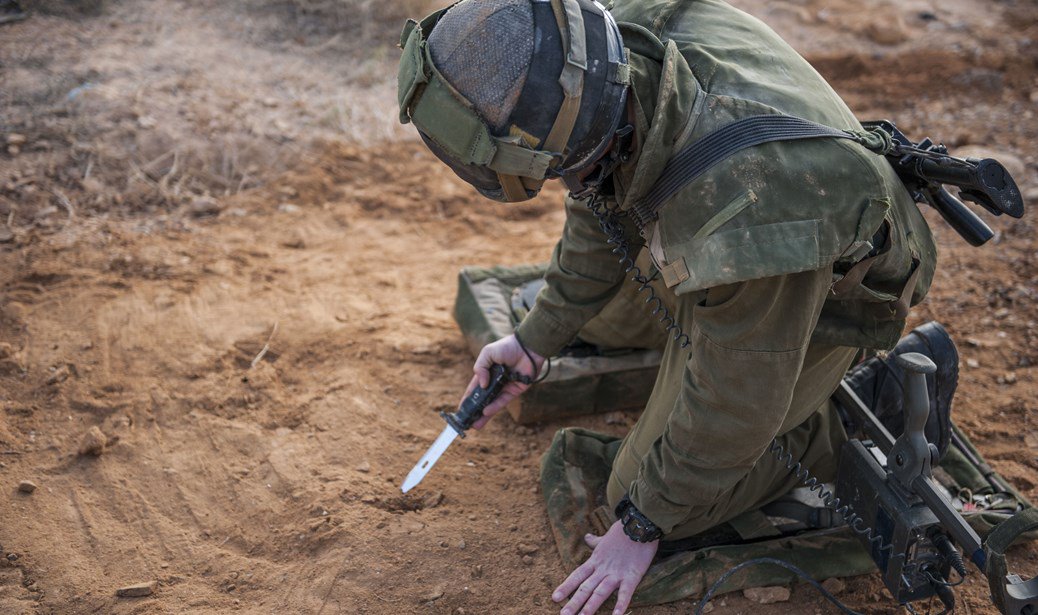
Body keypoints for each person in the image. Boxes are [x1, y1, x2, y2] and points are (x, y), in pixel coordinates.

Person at [397, 0, 956, 613]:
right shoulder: (603, 57)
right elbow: (597, 191)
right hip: (738, 233)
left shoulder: (748, 214)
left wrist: (643, 524)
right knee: (601, 318)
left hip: (820, 283)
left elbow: (736, 402)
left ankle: (863, 404)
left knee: (642, 494)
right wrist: (538, 339)